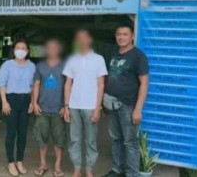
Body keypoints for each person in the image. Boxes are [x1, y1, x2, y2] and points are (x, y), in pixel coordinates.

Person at [102, 22, 149, 177]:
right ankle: (117, 169)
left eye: (125, 34)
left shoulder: (138, 56)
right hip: (111, 103)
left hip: (128, 105)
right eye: (118, 34)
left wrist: (138, 109)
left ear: (132, 37)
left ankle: (132, 173)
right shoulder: (112, 53)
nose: (121, 37)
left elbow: (144, 83)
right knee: (116, 139)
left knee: (130, 142)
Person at [63, 29, 108, 177]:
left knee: (91, 141)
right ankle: (77, 168)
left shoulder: (98, 59)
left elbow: (101, 85)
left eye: (84, 37)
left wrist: (98, 108)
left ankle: (89, 169)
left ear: (90, 40)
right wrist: (66, 106)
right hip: (74, 106)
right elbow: (68, 84)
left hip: (91, 106)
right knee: (74, 140)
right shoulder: (72, 59)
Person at [0, 39, 36, 177]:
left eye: (23, 48)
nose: (21, 50)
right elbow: (2, 83)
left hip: (25, 100)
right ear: (13, 50)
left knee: (23, 133)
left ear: (28, 51)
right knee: (11, 133)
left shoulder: (31, 66)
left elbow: (33, 86)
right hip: (11, 100)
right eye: (18, 48)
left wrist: (33, 101)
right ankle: (10, 162)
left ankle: (20, 161)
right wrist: (4, 102)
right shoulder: (7, 65)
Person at [32, 38, 66, 177]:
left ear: (59, 49)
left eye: (54, 47)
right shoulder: (40, 66)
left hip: (59, 109)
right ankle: (43, 164)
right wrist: (34, 103)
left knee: (59, 139)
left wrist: (66, 105)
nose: (51, 50)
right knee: (42, 138)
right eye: (49, 47)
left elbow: (68, 87)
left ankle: (58, 165)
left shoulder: (65, 66)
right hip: (42, 109)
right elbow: (36, 85)